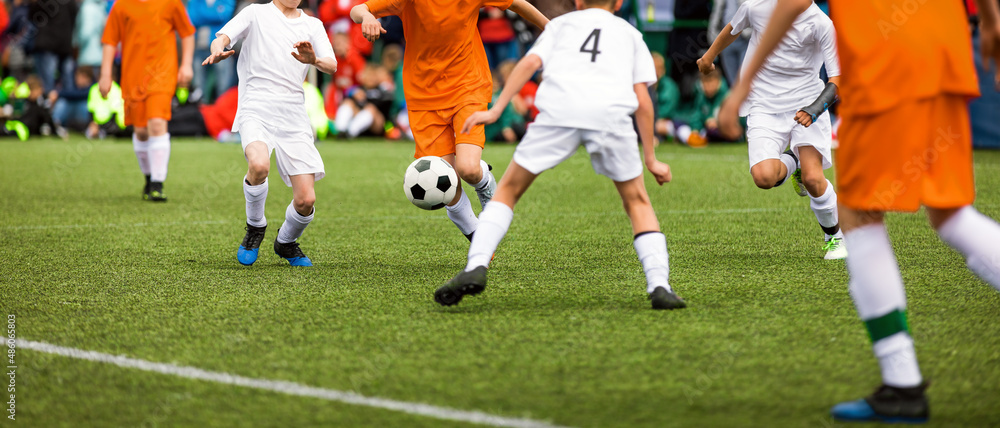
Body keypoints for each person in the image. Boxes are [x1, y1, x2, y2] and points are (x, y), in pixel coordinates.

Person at [717, 0, 1000, 423]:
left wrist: (740, 89)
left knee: (860, 216)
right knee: (950, 213)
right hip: (945, 48)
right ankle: (901, 385)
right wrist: (993, 24)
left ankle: (902, 383)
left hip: (885, 56)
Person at [434, 0, 685, 310]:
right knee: (637, 201)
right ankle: (659, 284)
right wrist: (651, 158)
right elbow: (643, 101)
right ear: (619, 3)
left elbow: (528, 63)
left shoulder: (561, 25)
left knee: (509, 189)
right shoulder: (630, 33)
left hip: (559, 110)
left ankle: (477, 264)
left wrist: (497, 109)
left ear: (578, 2)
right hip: (609, 115)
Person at [350, 0, 549, 242]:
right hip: (423, 97)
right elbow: (357, 9)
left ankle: (485, 184)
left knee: (468, 169)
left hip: (468, 87)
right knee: (447, 182)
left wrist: (550, 28)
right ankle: (479, 237)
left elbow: (517, 3)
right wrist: (367, 17)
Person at [697, 0, 846, 260]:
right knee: (764, 178)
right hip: (764, 106)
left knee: (812, 179)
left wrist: (814, 108)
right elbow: (733, 27)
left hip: (807, 106)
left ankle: (834, 237)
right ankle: (795, 158)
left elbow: (836, 79)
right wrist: (709, 58)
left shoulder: (822, 23)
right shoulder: (757, 6)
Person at [203, 0, 337, 267]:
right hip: (256, 106)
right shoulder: (255, 12)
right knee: (259, 164)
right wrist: (218, 49)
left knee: (306, 200)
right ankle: (255, 227)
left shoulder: (312, 24)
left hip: (293, 115)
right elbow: (222, 37)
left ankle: (286, 242)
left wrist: (315, 60)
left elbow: (331, 65)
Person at [100, 0, 195, 202]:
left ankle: (157, 184)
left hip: (163, 74)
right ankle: (149, 177)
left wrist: (186, 65)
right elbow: (110, 40)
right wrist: (105, 74)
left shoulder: (171, 3)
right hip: (133, 77)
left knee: (157, 123)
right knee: (141, 131)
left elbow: (187, 33)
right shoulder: (121, 5)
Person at [188, 0, 236, 103]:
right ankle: (200, 116)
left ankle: (222, 112)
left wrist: (201, 15)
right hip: (199, 47)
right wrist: (214, 14)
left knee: (224, 87)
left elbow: (224, 15)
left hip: (221, 51)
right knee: (198, 88)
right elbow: (191, 18)